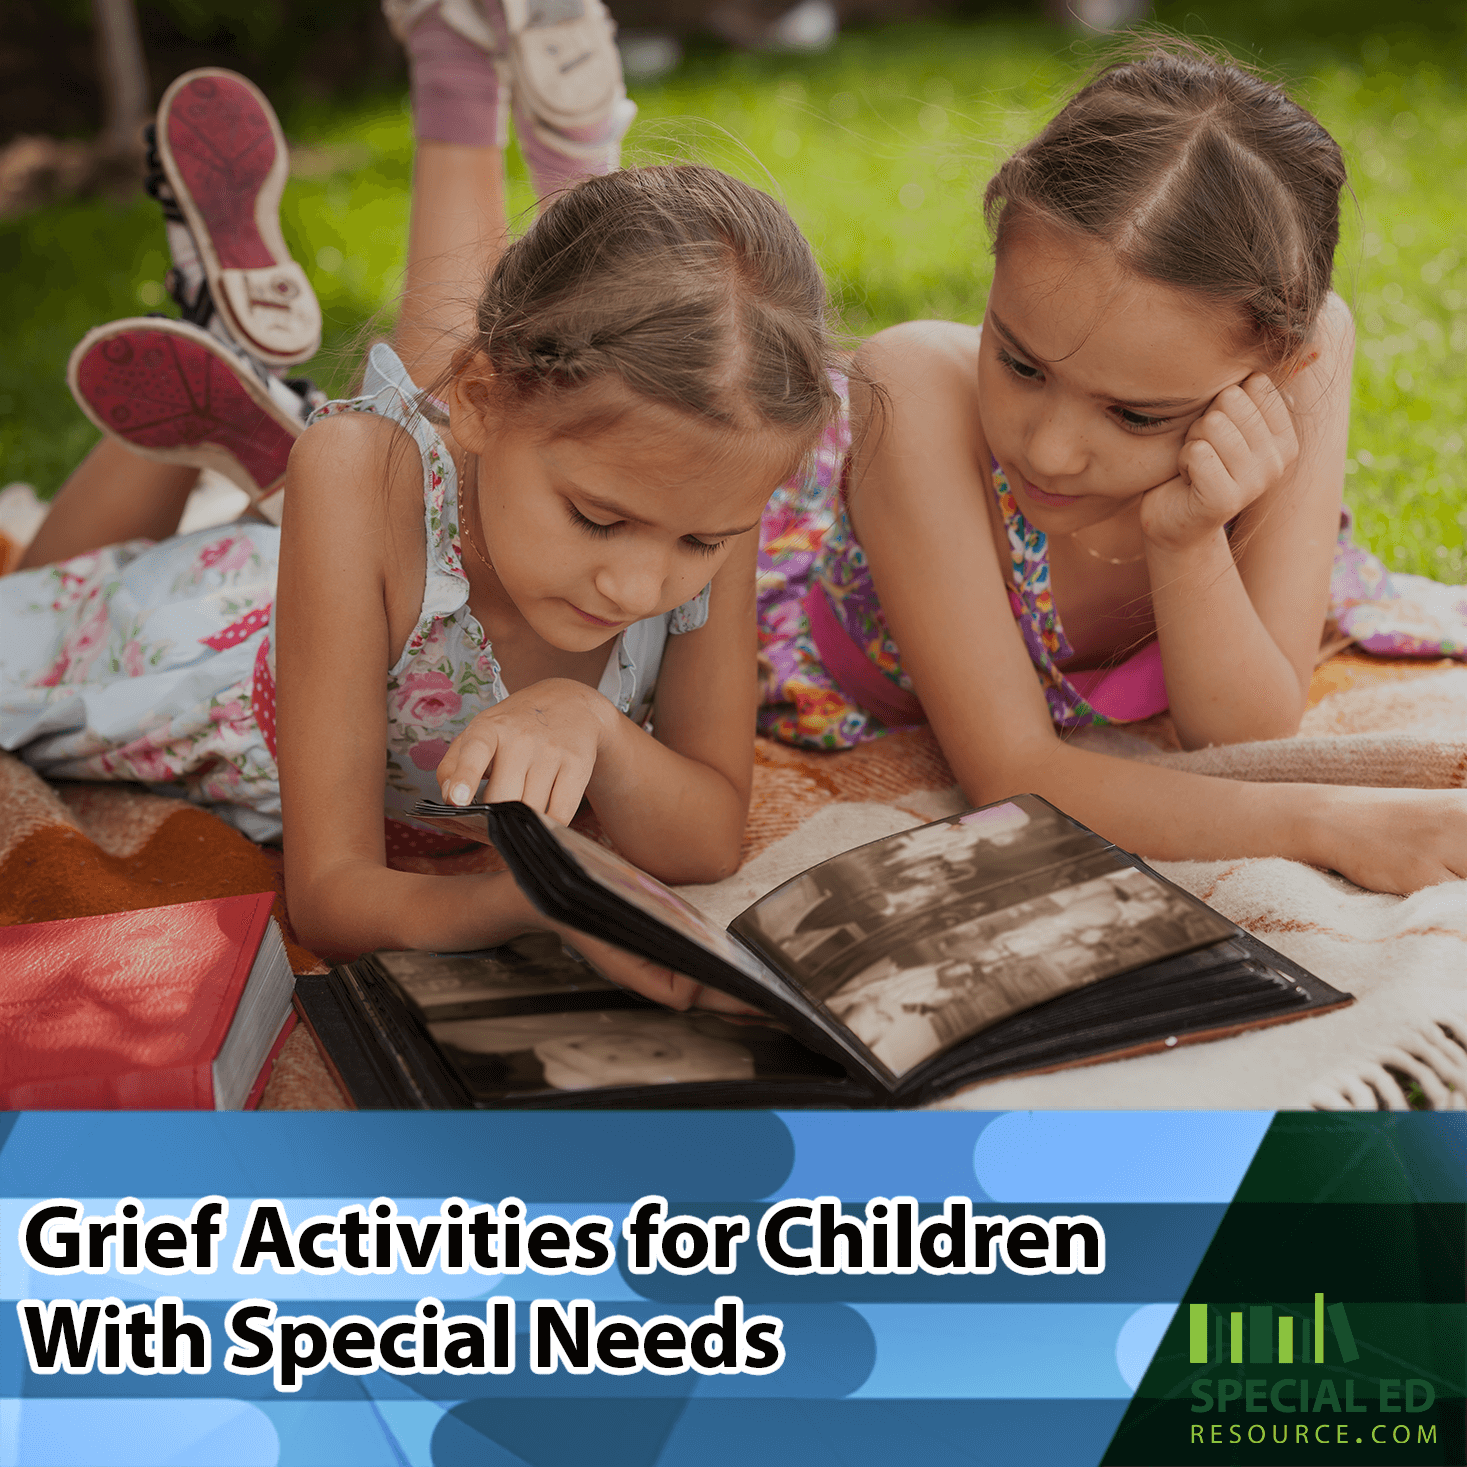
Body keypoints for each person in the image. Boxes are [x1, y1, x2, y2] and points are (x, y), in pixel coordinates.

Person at [1, 58, 843, 1009]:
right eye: (597, 519)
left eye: (700, 544)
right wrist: (524, 902)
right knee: (40, 612)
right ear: (479, 399)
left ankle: (226, 356)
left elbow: (708, 832)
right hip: (197, 659)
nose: (640, 588)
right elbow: (328, 898)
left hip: (328, 582)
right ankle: (212, 364)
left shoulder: (704, 498)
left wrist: (594, 726)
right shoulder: (357, 474)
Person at [758, 43, 1467, 896]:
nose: (1050, 450)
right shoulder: (911, 391)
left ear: (1271, 370)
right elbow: (1012, 774)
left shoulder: (1309, 357)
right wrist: (1324, 819)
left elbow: (1243, 735)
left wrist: (1188, 539)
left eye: (1135, 414)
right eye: (1020, 364)